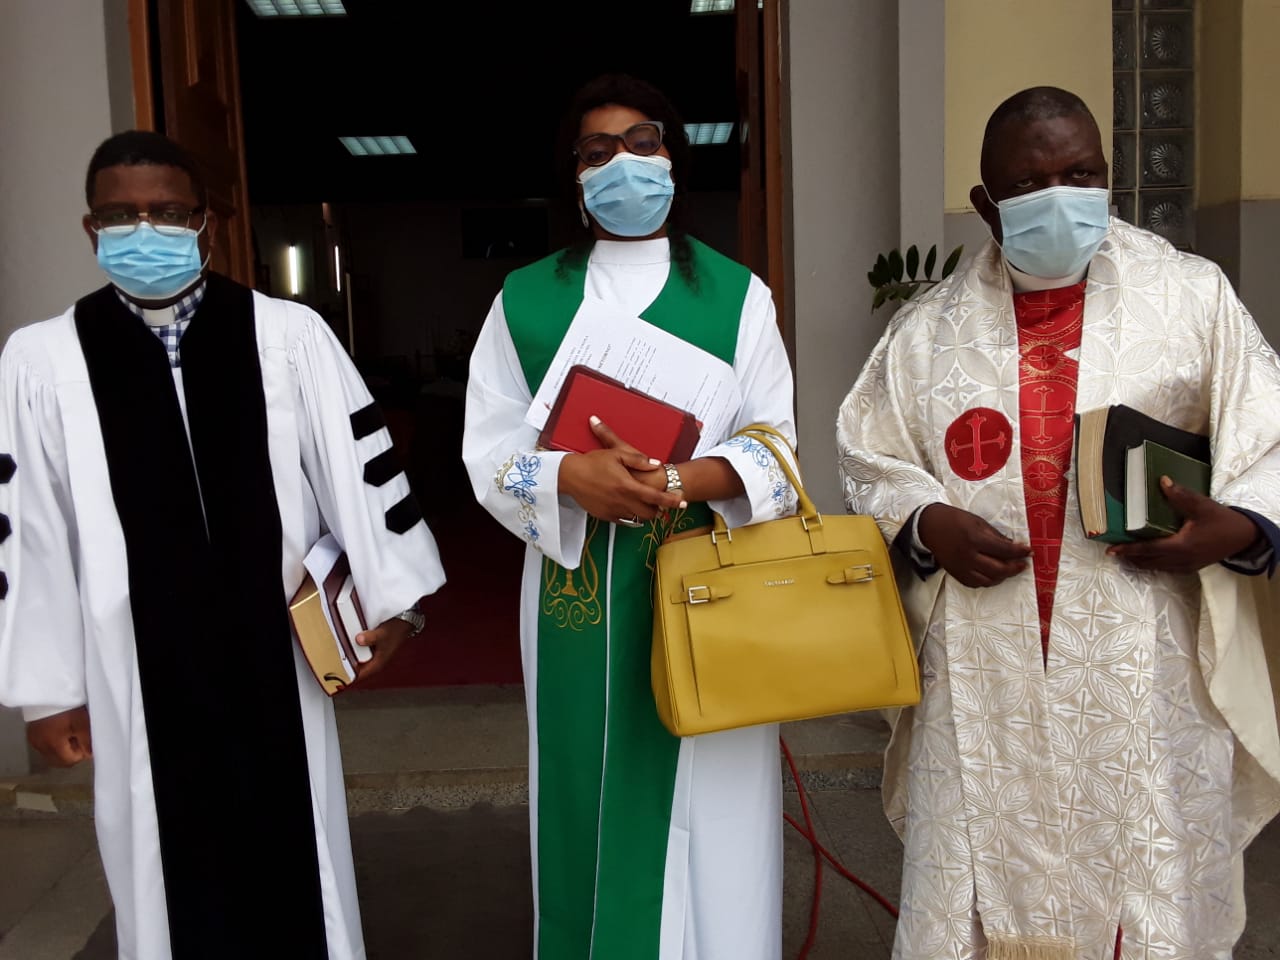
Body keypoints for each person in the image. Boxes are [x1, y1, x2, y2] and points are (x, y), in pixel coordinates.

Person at [837, 86, 1280, 960]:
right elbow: (869, 456)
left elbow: (1267, 431)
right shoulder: (928, 334)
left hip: (1144, 655)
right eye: (1032, 183)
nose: (1063, 196)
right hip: (981, 663)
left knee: (1148, 891)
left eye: (1082, 173)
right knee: (972, 880)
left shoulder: (1191, 298)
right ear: (985, 204)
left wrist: (1238, 526)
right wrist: (927, 523)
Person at [0, 130, 447, 959]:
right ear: (89, 228)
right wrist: (48, 688)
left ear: (204, 222)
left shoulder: (287, 335)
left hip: (273, 647)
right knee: (160, 864)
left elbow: (358, 468)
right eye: (121, 214)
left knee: (296, 857)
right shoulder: (40, 360)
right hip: (133, 661)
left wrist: (393, 599)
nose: (145, 229)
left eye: (167, 212)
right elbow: (31, 531)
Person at [461, 73, 799, 959]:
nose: (623, 163)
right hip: (578, 590)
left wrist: (678, 483)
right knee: (582, 795)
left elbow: (778, 449)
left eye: (642, 142)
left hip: (711, 590)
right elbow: (486, 452)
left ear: (673, 157)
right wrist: (571, 477)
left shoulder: (740, 297)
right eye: (596, 150)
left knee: (715, 810)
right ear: (573, 177)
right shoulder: (525, 302)